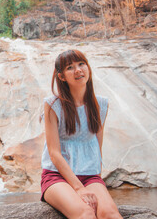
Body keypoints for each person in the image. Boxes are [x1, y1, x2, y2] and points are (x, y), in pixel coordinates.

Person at [41, 50, 122, 219]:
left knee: (110, 214)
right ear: (62, 76)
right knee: (85, 213)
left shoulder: (100, 104)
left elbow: (97, 144)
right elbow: (54, 153)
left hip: (89, 176)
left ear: (88, 67)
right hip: (57, 176)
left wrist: (96, 180)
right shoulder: (53, 105)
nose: (78, 70)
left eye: (81, 64)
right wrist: (79, 189)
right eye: (70, 67)